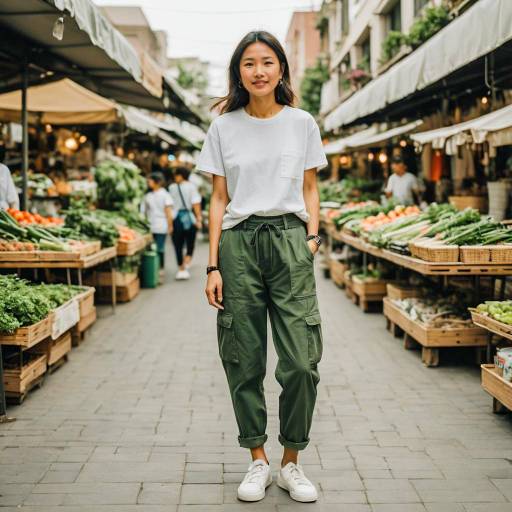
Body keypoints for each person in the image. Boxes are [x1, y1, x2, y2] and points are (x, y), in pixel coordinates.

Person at [196, 31, 328, 503]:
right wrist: (212, 265)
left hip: (291, 241)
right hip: (239, 244)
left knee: (300, 363)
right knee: (243, 358)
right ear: (238, 72)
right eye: (248, 63)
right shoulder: (223, 127)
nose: (258, 71)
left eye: (266, 61)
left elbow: (311, 187)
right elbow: (217, 199)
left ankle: (292, 461)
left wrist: (311, 237)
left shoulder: (301, 123)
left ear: (280, 69)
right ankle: (257, 460)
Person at [168, 167, 202, 280]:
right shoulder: (192, 187)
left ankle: (181, 267)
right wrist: (198, 219)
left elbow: (169, 206)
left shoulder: (172, 187)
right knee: (190, 243)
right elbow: (195, 203)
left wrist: (169, 224)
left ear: (181, 175)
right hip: (189, 218)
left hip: (176, 218)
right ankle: (186, 263)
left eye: (176, 175)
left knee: (177, 244)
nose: (174, 177)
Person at [141, 172, 174, 269]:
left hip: (161, 225)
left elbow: (168, 212)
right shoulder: (148, 196)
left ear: (157, 182)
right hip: (150, 226)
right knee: (152, 249)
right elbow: (144, 212)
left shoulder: (165, 195)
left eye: (150, 181)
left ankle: (160, 268)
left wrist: (170, 226)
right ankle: (154, 268)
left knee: (160, 248)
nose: (148, 183)